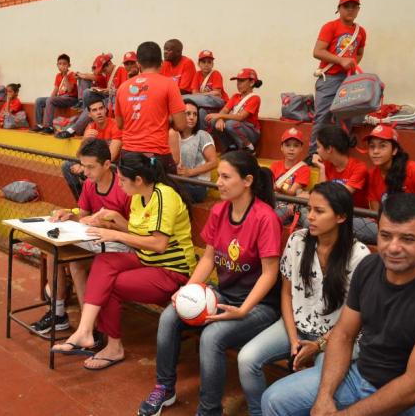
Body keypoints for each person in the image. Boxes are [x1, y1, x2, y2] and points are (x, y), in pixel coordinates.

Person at [261, 193, 415, 416]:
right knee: (274, 400)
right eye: (386, 236)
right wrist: (324, 396)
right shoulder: (370, 266)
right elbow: (343, 335)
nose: (393, 247)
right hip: (359, 376)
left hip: (410, 404)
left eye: (407, 239)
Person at [138, 151, 281, 416]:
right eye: (219, 176)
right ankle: (164, 389)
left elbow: (269, 274)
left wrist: (243, 310)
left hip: (259, 305)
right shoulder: (219, 210)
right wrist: (187, 289)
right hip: (225, 294)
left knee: (212, 337)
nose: (219, 183)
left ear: (247, 180)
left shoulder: (265, 217)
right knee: (170, 316)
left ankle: (209, 410)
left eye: (226, 177)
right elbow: (208, 258)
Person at [51, 153, 195, 371]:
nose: (119, 184)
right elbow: (137, 231)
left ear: (138, 180)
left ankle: (114, 347)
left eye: (122, 180)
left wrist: (116, 235)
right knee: (104, 262)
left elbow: (158, 244)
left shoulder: (165, 197)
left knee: (111, 285)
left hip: (171, 270)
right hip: (147, 260)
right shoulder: (139, 195)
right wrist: (115, 221)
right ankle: (85, 330)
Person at [238, 182, 370, 416]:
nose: (310, 217)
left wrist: (318, 345)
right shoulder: (297, 240)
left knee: (321, 389)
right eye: (309, 209)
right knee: (246, 359)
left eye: (319, 211)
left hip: (336, 338)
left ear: (340, 216)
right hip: (296, 326)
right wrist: (292, 340)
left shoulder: (359, 255)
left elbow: (355, 320)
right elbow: (286, 293)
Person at [31, 139, 132, 334]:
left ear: (106, 165)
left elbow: (134, 231)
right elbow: (84, 218)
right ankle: (58, 313)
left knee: (76, 263)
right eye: (83, 166)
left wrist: (106, 224)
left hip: (121, 243)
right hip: (95, 239)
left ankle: (91, 328)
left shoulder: (124, 187)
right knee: (54, 250)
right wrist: (70, 215)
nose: (85, 172)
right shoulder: (89, 184)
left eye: (90, 167)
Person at [308, 0, 367, 159]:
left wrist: (352, 63)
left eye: (354, 7)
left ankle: (340, 155)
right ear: (339, 8)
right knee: (323, 117)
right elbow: (317, 51)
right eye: (346, 6)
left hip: (348, 80)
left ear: (358, 10)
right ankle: (313, 155)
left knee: (346, 118)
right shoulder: (330, 26)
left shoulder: (360, 31)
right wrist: (341, 61)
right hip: (329, 79)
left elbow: (360, 52)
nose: (350, 10)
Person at [363, 125, 415, 242]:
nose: (375, 151)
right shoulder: (372, 175)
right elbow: (376, 213)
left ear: (394, 150)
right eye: (372, 147)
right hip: (387, 228)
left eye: (382, 146)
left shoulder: (414, 170)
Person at [115, 41, 187, 174]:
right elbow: (182, 125)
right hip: (157, 156)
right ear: (161, 62)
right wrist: (166, 120)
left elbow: (119, 124)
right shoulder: (169, 84)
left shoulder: (123, 87)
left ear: (138, 64)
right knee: (167, 192)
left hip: (128, 155)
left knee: (133, 194)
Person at [56, 52, 131, 138]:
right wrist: (103, 91)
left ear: (109, 64)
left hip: (114, 99)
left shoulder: (121, 70)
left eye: (104, 70)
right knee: (87, 93)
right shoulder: (108, 73)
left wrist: (109, 91)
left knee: (93, 108)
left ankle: (74, 129)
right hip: (108, 96)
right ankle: (84, 116)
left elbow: (124, 90)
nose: (103, 72)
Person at [61, 95, 122, 199]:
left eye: (101, 108)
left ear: (105, 110)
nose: (99, 112)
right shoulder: (90, 127)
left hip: (113, 167)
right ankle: (81, 201)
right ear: (89, 114)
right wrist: (84, 140)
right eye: (94, 110)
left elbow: (110, 157)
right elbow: (79, 155)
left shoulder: (115, 125)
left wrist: (85, 167)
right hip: (95, 166)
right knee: (67, 166)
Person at [204, 68, 263, 153]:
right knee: (214, 121)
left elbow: (241, 117)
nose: (238, 84)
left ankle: (248, 147)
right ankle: (230, 148)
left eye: (242, 81)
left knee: (230, 124)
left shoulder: (255, 98)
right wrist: (219, 119)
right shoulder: (235, 96)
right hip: (237, 126)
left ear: (252, 82)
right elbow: (224, 110)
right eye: (237, 81)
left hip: (251, 131)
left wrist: (220, 116)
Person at [175, 103, 218, 203]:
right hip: (178, 181)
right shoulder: (174, 136)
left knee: (169, 191)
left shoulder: (202, 135)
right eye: (188, 114)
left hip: (197, 185)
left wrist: (190, 172)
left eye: (195, 114)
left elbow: (214, 162)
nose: (192, 117)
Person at [270, 128, 311, 222]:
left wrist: (279, 189)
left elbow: (292, 193)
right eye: (287, 145)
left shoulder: (304, 169)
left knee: (273, 218)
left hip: (289, 204)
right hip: (273, 200)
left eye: (296, 146)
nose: (291, 149)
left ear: (301, 148)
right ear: (281, 147)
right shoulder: (275, 165)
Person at [32, 54, 78, 134]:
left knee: (50, 100)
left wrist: (65, 76)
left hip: (70, 98)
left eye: (64, 64)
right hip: (60, 98)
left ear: (69, 65)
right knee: (39, 100)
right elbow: (56, 90)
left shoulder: (72, 75)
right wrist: (49, 100)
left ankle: (49, 127)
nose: (62, 66)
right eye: (60, 64)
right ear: (57, 65)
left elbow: (70, 89)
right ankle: (39, 125)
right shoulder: (58, 76)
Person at [182, 50, 228, 128]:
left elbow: (216, 94)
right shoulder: (197, 74)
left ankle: (180, 98)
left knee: (186, 98)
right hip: (205, 104)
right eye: (203, 62)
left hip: (218, 103)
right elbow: (194, 94)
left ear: (212, 64)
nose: (206, 65)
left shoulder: (216, 73)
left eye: (209, 62)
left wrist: (200, 95)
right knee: (200, 112)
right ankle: (202, 134)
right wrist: (207, 94)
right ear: (199, 64)